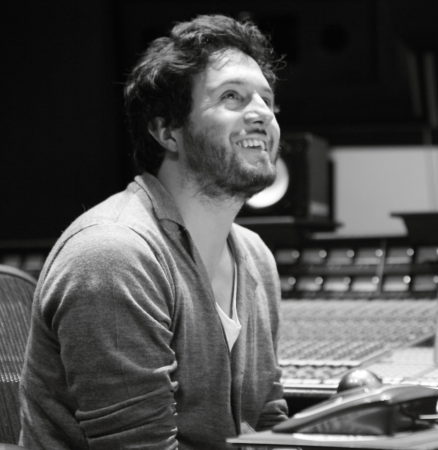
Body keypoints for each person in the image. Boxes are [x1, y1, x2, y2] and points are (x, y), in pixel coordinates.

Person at [19, 14, 288, 449]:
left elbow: (268, 423)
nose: (262, 114)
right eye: (233, 97)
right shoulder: (114, 255)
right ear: (167, 131)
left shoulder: (256, 257)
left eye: (267, 100)